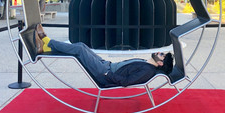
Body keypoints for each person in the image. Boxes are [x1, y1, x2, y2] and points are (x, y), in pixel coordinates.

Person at [34, 24, 174, 88]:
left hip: (105, 73)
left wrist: (107, 74)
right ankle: (47, 46)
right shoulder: (147, 64)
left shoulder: (147, 70)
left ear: (160, 63)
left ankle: (46, 42)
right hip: (106, 65)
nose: (159, 52)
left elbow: (126, 81)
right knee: (82, 45)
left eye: (162, 55)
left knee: (80, 51)